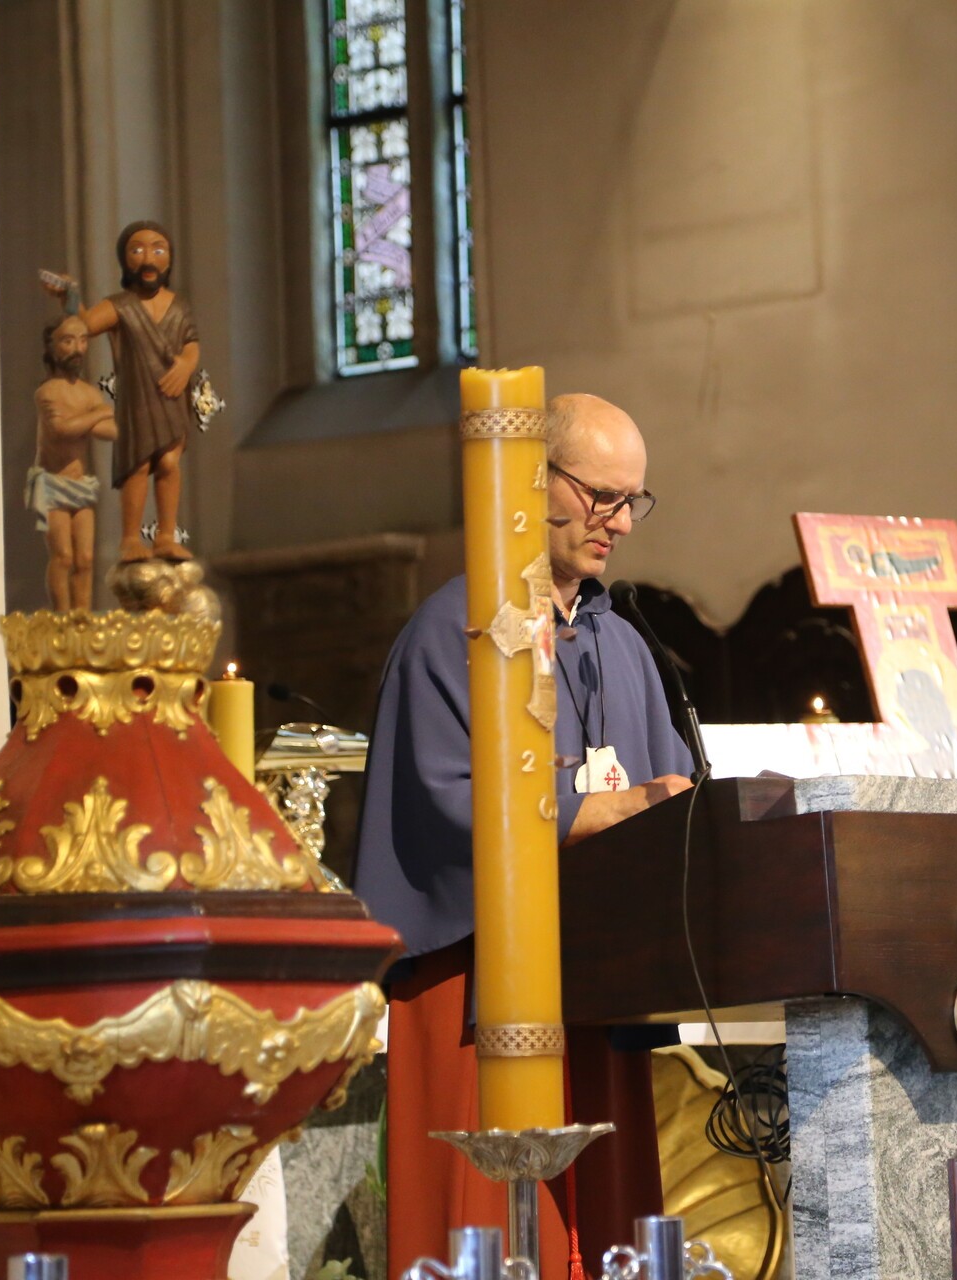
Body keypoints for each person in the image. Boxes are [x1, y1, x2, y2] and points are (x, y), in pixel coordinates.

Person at [353, 393, 693, 1279]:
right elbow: (440, 806)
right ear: (531, 478)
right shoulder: (457, 629)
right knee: (486, 1231)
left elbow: (667, 805)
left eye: (633, 501)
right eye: (601, 496)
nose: (620, 523)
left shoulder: (624, 644)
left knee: (603, 1231)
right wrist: (595, 812)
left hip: (599, 983)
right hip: (477, 984)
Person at [41, 220, 201, 563]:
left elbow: (191, 343)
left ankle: (165, 536)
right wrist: (70, 298)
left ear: (169, 259)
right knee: (138, 464)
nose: (148, 258)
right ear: (125, 260)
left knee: (169, 462)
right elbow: (85, 323)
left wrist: (187, 366)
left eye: (158, 249)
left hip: (172, 394)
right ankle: (130, 538)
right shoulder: (120, 305)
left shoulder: (179, 305)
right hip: (138, 398)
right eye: (137, 250)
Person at [26, 315, 116, 610]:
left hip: (80, 485)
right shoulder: (48, 392)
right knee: (63, 556)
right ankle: (62, 619)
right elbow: (61, 430)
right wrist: (98, 413)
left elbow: (111, 431)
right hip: (53, 483)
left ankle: (81, 619)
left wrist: (86, 420)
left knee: (86, 558)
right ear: (51, 347)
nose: (77, 348)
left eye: (82, 340)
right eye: (68, 341)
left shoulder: (89, 393)